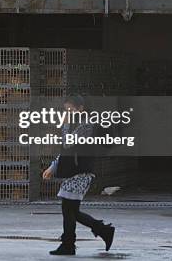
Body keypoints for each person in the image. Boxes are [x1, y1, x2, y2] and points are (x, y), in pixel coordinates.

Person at [42, 96, 115, 256]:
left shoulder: (86, 124)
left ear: (80, 108)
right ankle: (100, 231)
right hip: (74, 172)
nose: (67, 113)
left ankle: (71, 244)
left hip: (80, 173)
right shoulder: (79, 123)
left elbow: (68, 143)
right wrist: (53, 167)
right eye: (65, 110)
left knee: (69, 210)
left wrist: (66, 123)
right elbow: (67, 151)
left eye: (70, 109)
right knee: (71, 211)